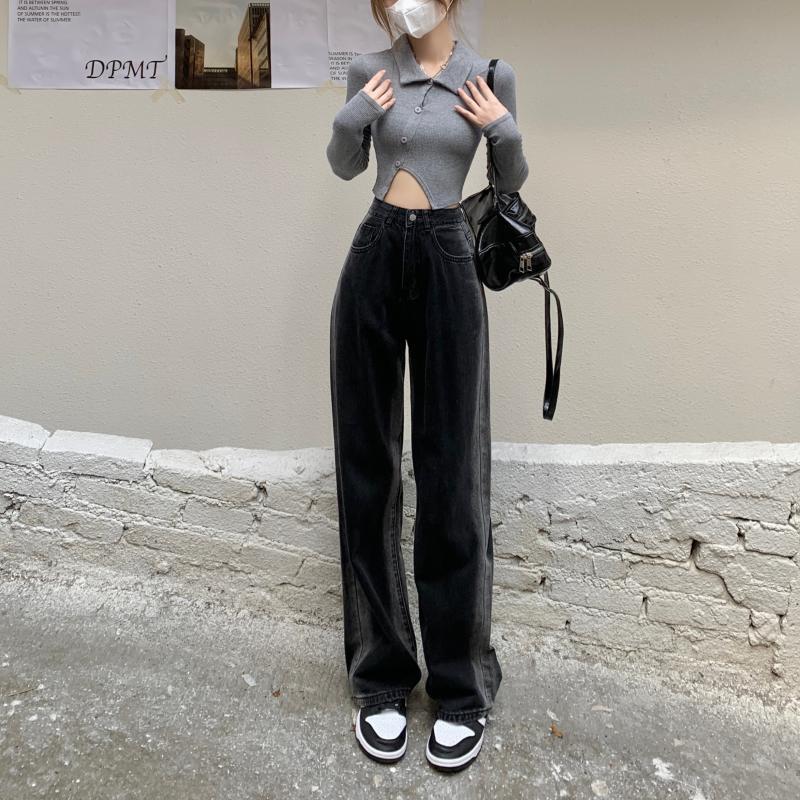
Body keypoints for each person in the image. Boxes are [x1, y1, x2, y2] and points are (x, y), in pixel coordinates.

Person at [325, 0, 529, 773]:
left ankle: (460, 688)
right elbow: (345, 166)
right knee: (367, 469)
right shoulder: (370, 71)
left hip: (449, 256)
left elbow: (510, 180)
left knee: (452, 475)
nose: (401, 4)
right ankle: (379, 677)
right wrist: (350, 119)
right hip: (375, 251)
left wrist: (504, 131)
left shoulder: (489, 75)